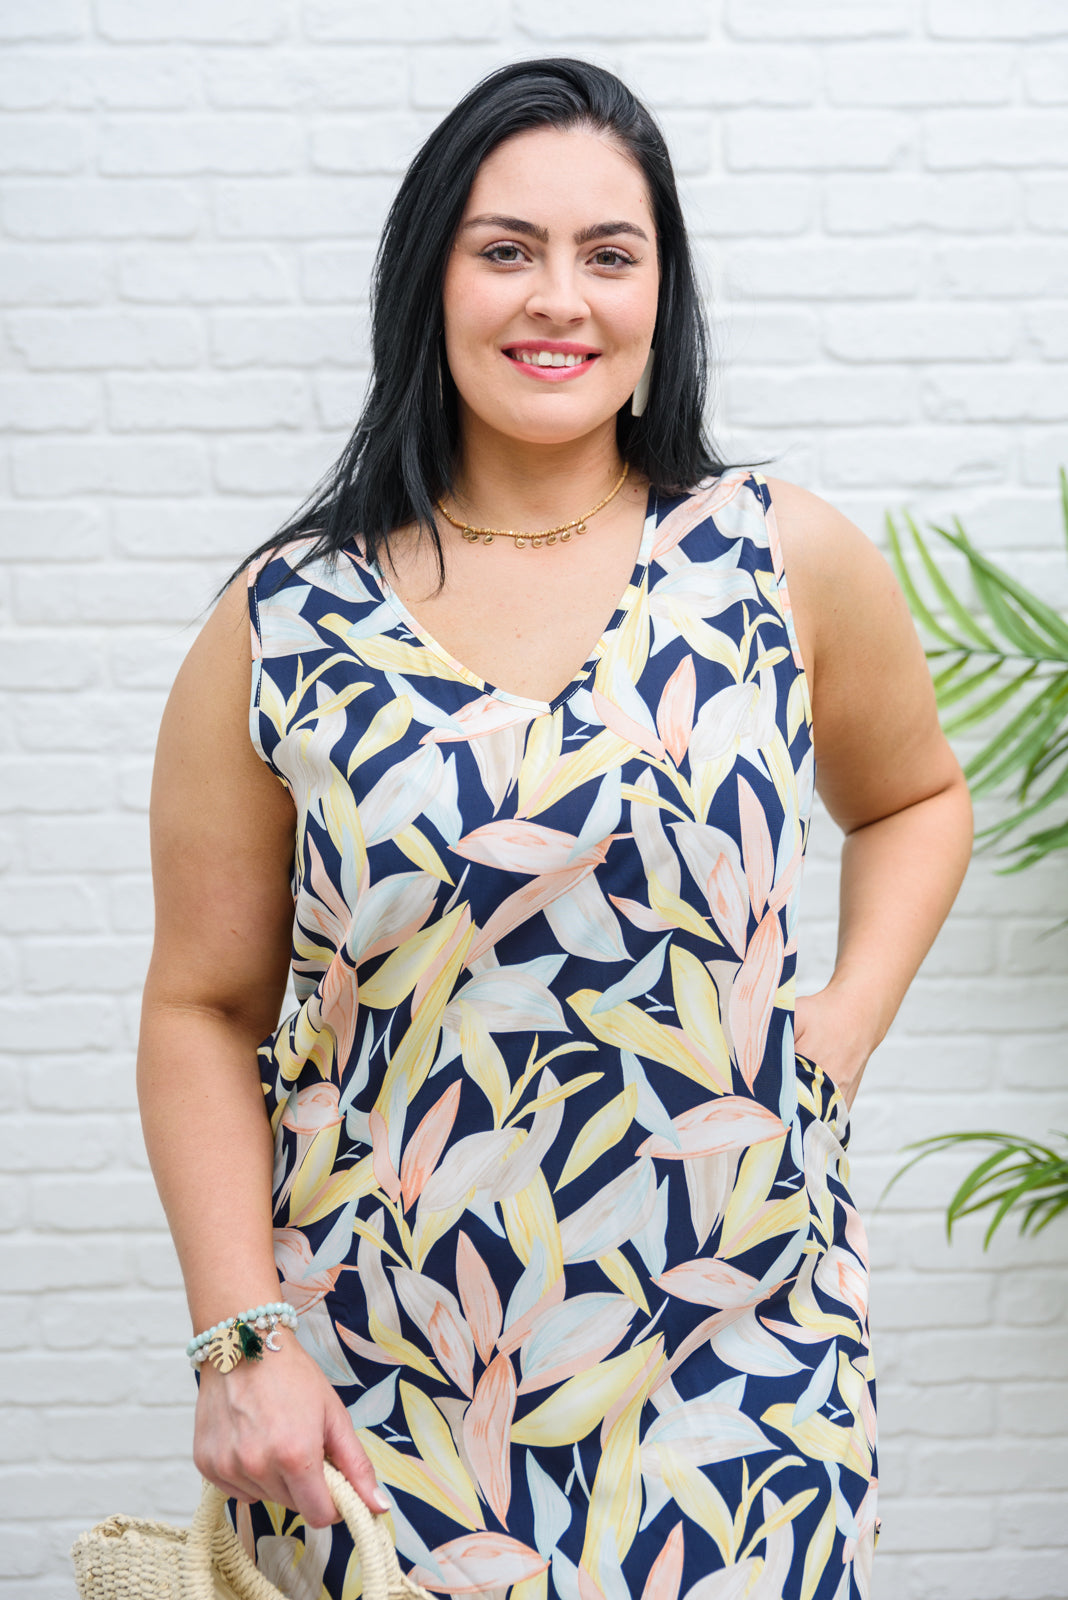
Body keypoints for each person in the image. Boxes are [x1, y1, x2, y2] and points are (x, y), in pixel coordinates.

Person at [137, 57, 973, 1600]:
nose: (560, 299)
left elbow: (917, 796)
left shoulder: (776, 560)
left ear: (663, 294)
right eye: (506, 249)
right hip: (386, 1382)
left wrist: (841, 1029)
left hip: (744, 1364)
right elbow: (201, 1004)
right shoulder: (287, 621)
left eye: (610, 254)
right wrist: (240, 1343)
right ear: (430, 281)